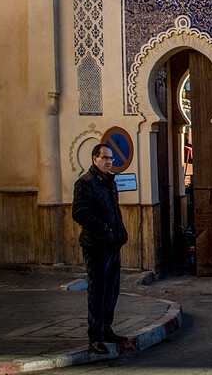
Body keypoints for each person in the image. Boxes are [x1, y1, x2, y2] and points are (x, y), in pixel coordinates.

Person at [72, 144, 130, 354]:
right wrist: (103, 228)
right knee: (98, 290)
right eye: (104, 158)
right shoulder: (85, 183)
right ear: (94, 158)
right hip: (96, 245)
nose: (109, 161)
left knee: (112, 289)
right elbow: (79, 213)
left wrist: (120, 233)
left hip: (112, 243)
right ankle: (95, 337)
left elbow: (115, 211)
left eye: (111, 158)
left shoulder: (109, 183)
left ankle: (106, 329)